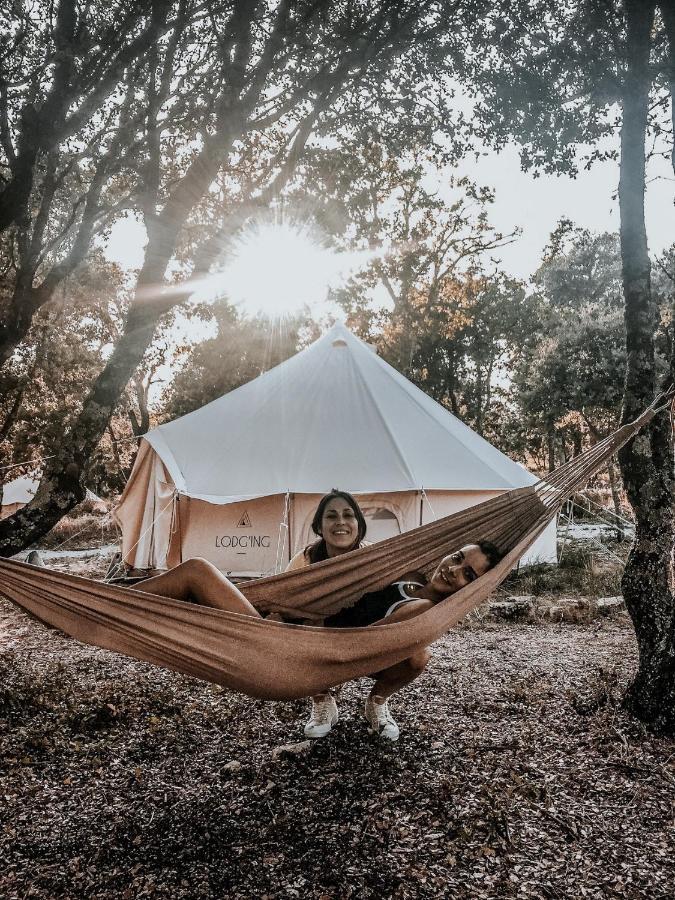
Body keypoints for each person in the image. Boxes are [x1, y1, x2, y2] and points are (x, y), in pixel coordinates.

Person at [134, 535, 502, 742]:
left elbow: (355, 652)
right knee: (197, 585)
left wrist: (306, 650)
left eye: (467, 574)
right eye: (456, 556)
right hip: (297, 637)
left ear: (477, 588)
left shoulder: (423, 610)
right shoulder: (411, 574)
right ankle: (109, 599)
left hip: (291, 653)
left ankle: (108, 598)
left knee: (198, 573)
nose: (452, 569)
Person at [284, 490, 369, 739]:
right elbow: (283, 601)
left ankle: (377, 703)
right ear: (320, 526)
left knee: (418, 656)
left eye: (348, 515)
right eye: (331, 516)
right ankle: (322, 701)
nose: (340, 522)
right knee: (284, 636)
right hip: (316, 638)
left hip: (366, 639)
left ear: (358, 524)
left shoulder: (373, 557)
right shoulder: (305, 560)